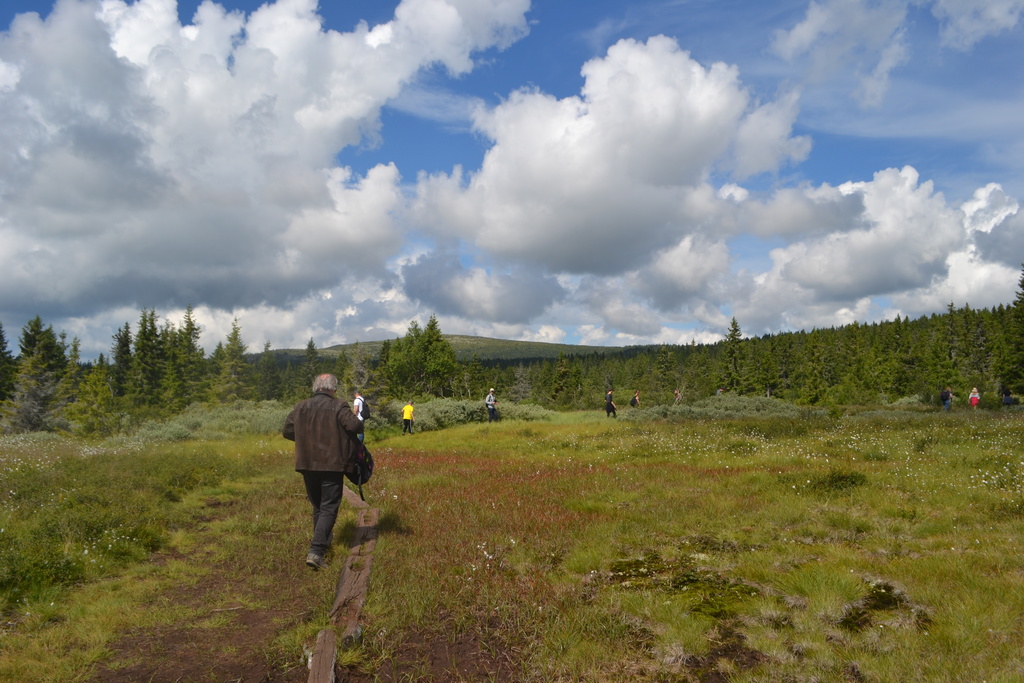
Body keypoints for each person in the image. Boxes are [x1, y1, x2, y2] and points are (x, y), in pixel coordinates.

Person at [282, 373, 363, 571]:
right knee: (328, 507)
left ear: (316, 387)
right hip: (331, 464)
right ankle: (316, 551)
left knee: (318, 506)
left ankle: (322, 547)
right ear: (332, 389)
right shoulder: (338, 406)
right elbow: (355, 425)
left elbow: (287, 431)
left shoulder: (301, 406)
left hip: (306, 463)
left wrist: (307, 440)